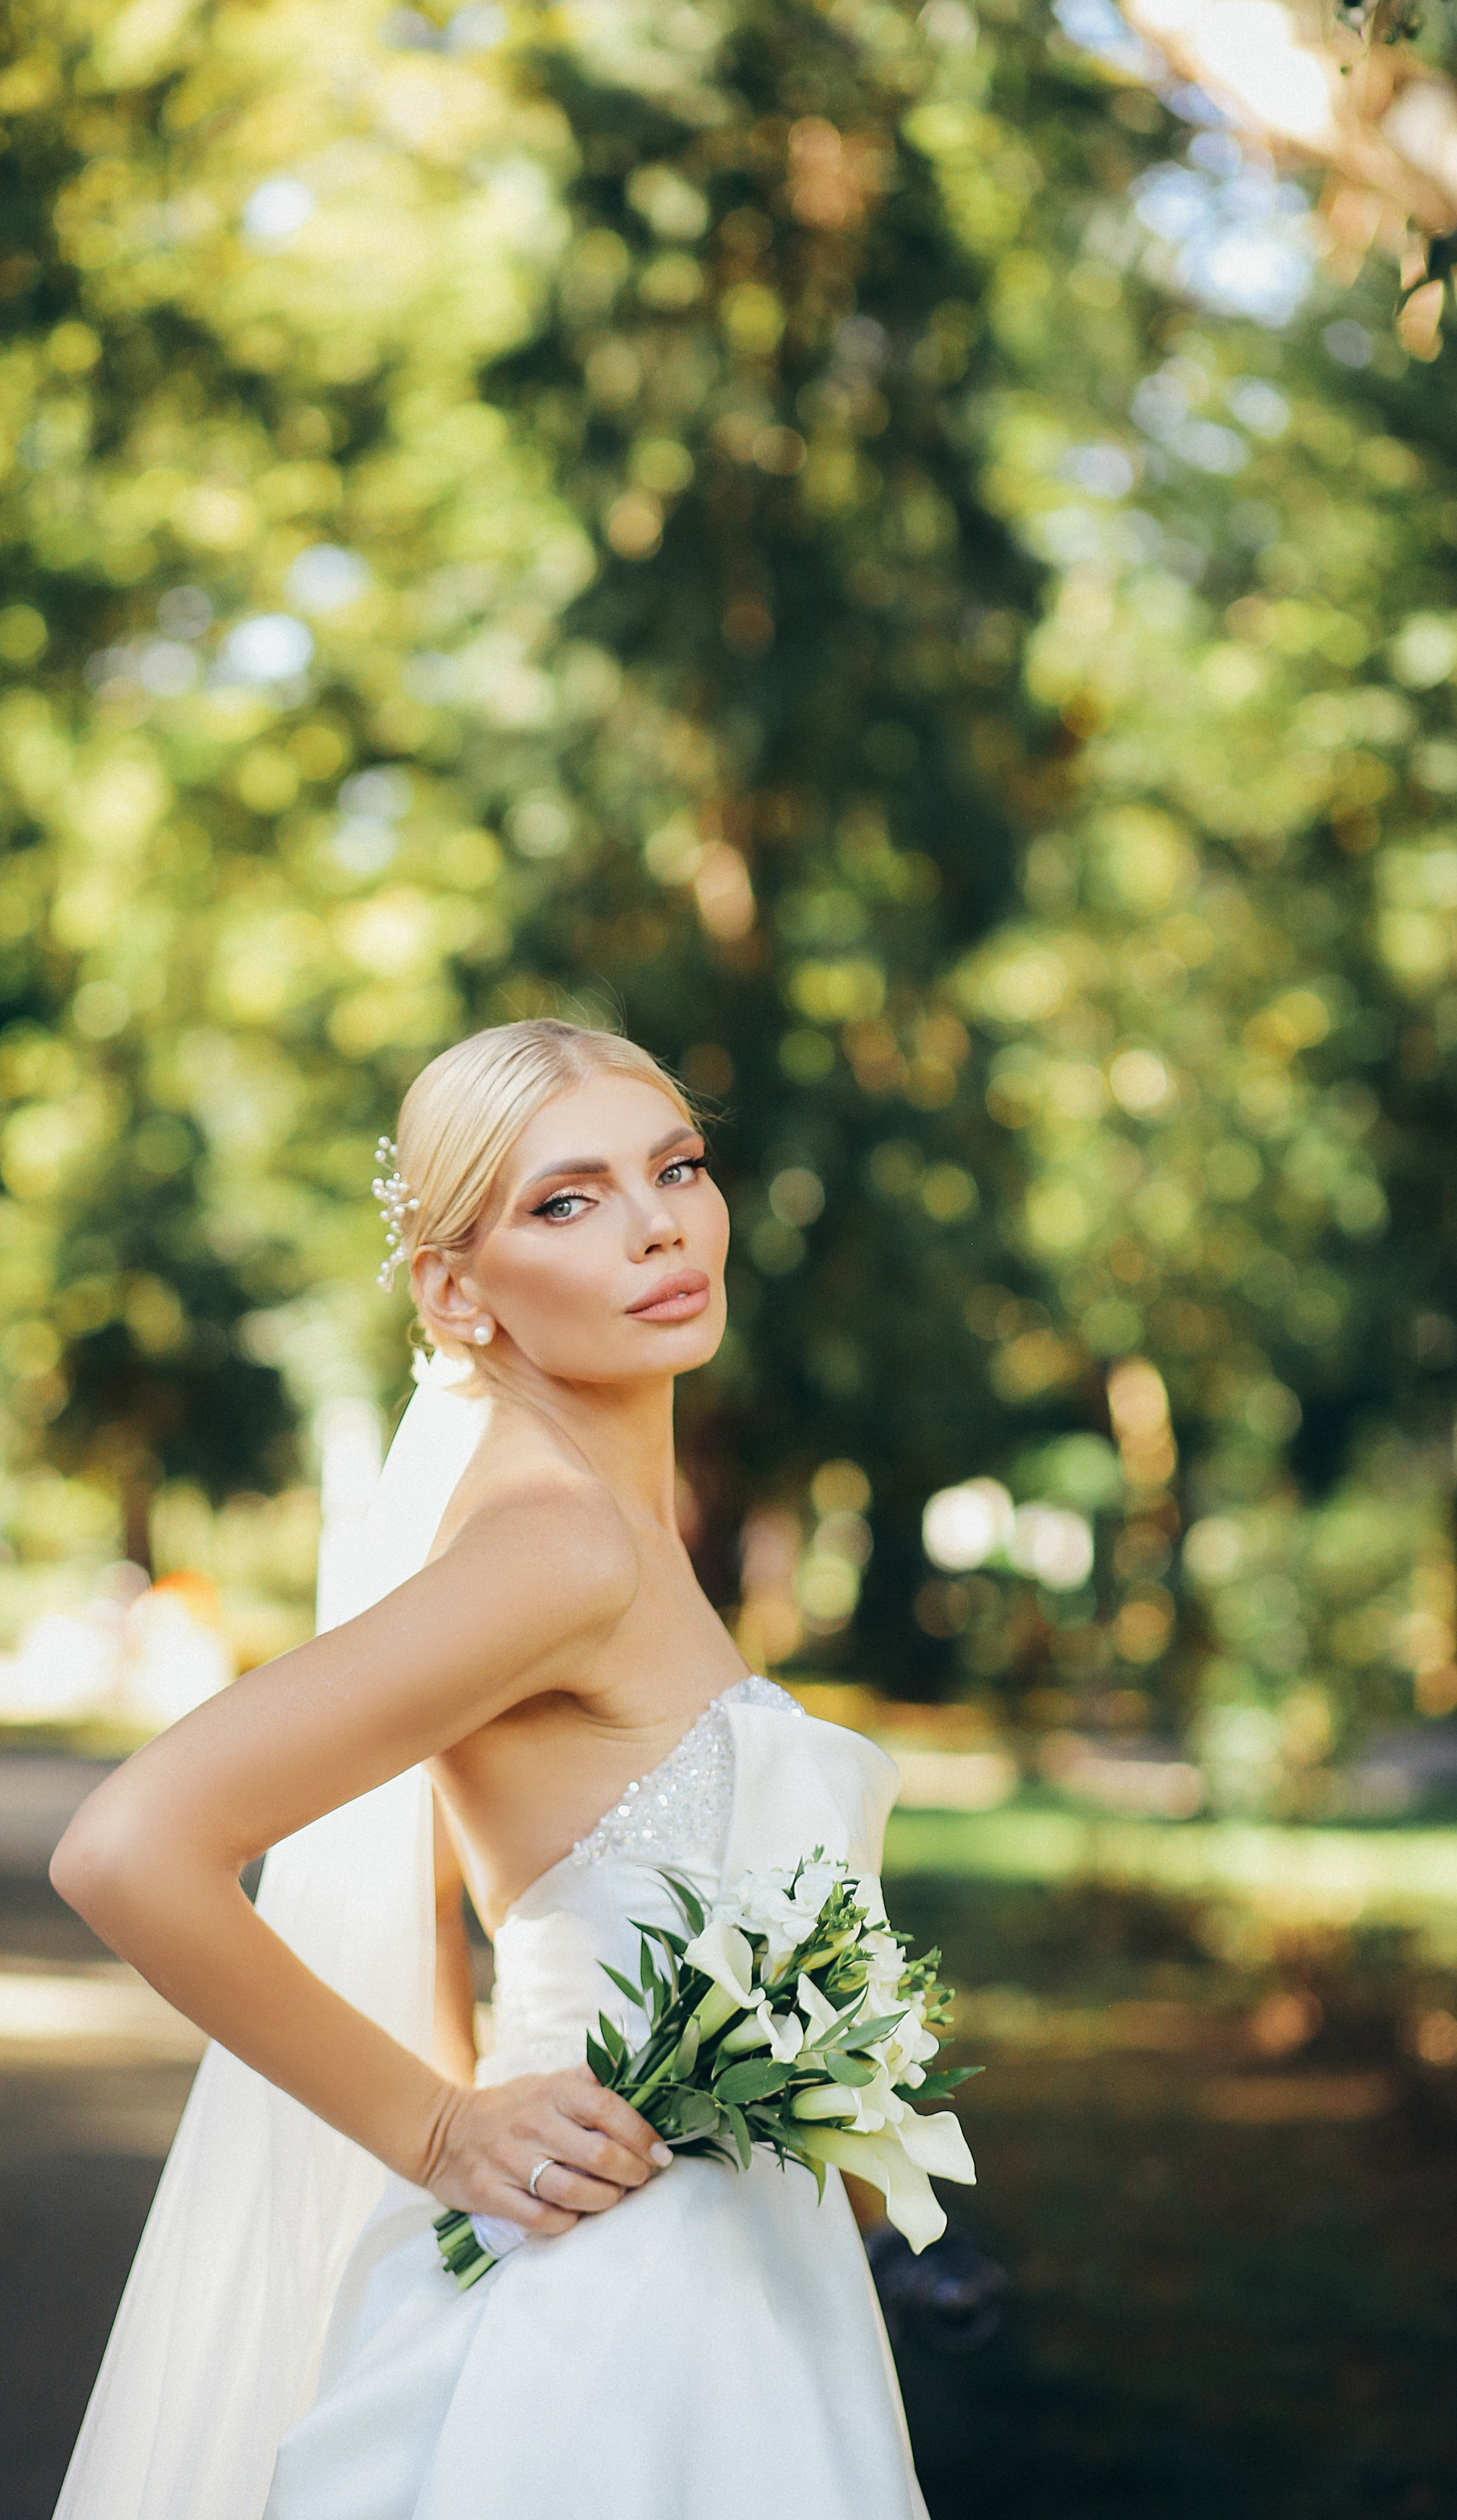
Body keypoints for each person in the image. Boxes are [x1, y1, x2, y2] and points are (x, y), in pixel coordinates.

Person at [50, 1018, 928, 2519]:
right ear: (454, 1292)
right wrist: (442, 2129)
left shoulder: (607, 1521)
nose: (657, 1222)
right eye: (565, 1201)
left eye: (676, 1167)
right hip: (610, 2341)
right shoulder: (558, 1547)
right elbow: (127, 1847)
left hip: (735, 2312)